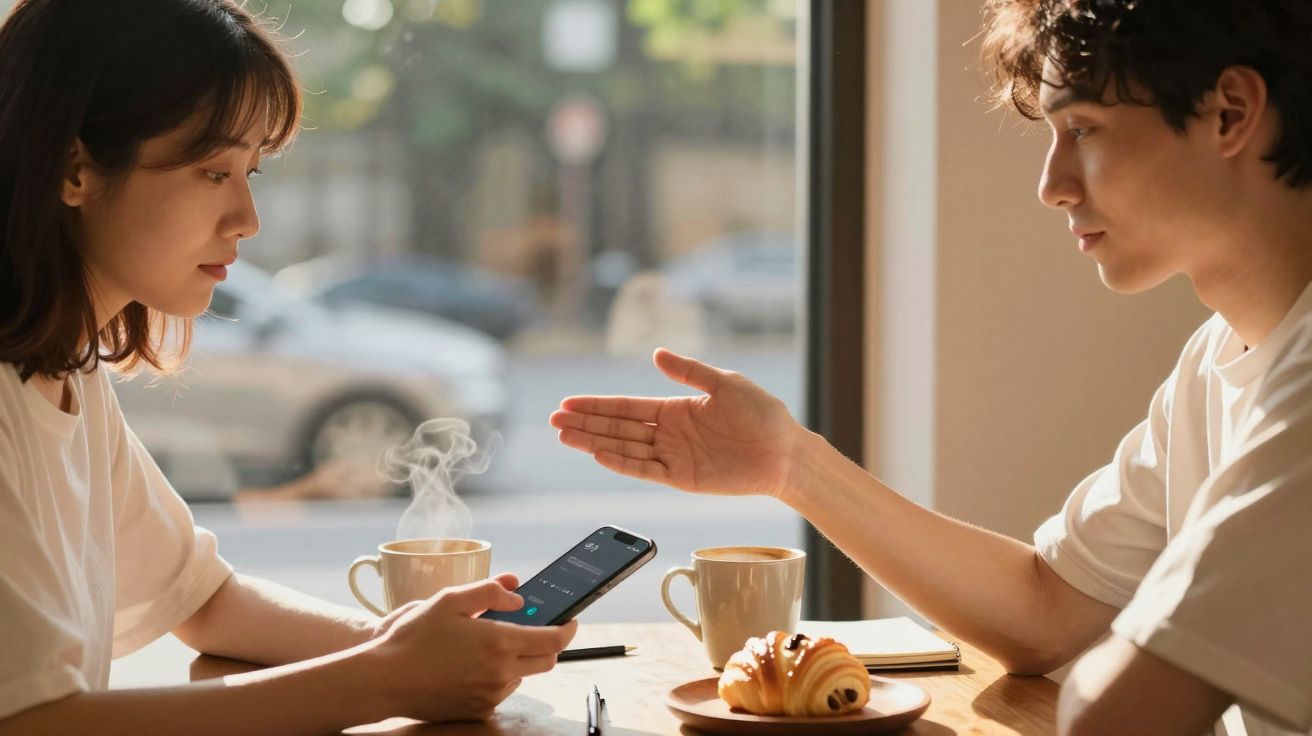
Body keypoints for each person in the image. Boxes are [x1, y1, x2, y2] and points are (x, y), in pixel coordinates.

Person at [550, 1, 1312, 734]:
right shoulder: (1215, 360)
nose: (1052, 184)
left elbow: (1115, 718)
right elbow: (1046, 611)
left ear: (1230, 113)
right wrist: (793, 466)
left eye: (1083, 127)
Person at [0, 1, 574, 732]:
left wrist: (412, 647)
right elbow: (31, 722)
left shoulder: (65, 370)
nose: (247, 217)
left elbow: (203, 598)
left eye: (250, 171)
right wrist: (389, 679)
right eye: (213, 171)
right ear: (74, 168)